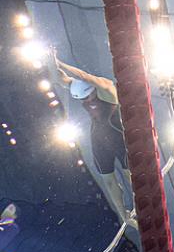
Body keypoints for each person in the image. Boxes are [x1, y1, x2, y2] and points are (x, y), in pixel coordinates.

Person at [48, 52, 137, 230]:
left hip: (119, 138)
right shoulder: (78, 87)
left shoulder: (106, 88)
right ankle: (124, 216)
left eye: (87, 98)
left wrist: (63, 64)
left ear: (92, 90)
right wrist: (52, 61)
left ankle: (140, 205)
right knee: (108, 180)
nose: (86, 101)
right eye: (81, 100)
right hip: (98, 139)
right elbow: (57, 79)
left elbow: (85, 76)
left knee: (130, 175)